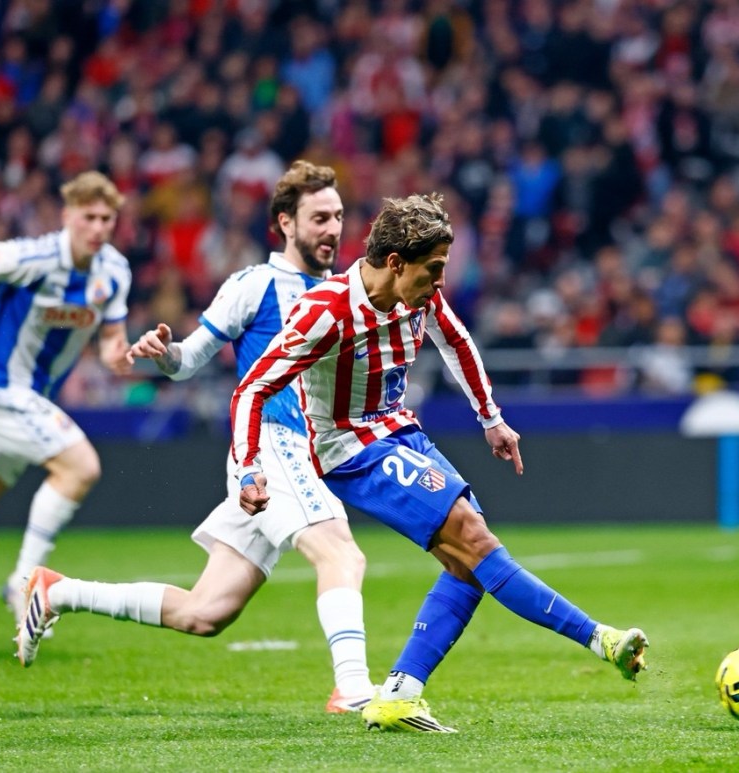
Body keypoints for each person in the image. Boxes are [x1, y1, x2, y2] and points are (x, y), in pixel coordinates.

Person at [226, 192, 648, 732]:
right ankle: (601, 639)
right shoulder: (326, 312)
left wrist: (491, 418)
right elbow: (253, 388)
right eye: (434, 268)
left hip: (401, 432)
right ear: (396, 263)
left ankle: (399, 693)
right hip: (351, 448)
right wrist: (249, 467)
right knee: (474, 537)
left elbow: (457, 341)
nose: (441, 281)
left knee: (467, 563)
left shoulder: (418, 297)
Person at [15, 160, 375, 714]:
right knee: (341, 554)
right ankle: (352, 688)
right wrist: (164, 354)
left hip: (301, 455)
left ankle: (56, 590)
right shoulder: (254, 284)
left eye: (338, 217)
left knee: (205, 612)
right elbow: (189, 359)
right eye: (319, 218)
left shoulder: (339, 291)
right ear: (286, 222)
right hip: (269, 446)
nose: (333, 229)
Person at [0, 171, 132, 628]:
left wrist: (117, 352)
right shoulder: (33, 257)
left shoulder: (115, 271)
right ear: (67, 216)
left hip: (31, 399)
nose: (98, 227)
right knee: (80, 467)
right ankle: (25, 586)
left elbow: (110, 337)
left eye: (106, 219)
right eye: (89, 217)